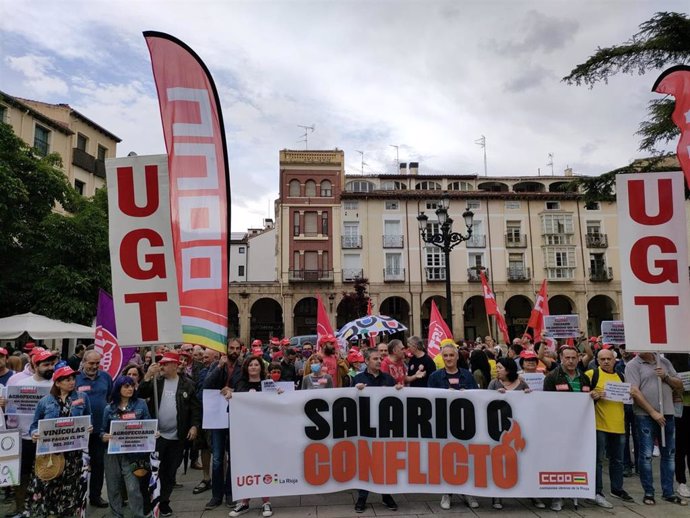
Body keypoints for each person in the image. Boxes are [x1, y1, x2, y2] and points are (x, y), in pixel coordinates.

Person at [139, 352, 201, 517]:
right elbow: (140, 393)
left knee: (170, 472)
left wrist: (194, 426)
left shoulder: (188, 384)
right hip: (158, 435)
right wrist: (147, 376)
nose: (161, 366)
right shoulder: (156, 381)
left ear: (174, 365)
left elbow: (195, 408)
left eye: (165, 364)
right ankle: (150, 501)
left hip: (177, 437)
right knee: (153, 470)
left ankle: (164, 502)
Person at [28, 366, 92, 517]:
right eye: (67, 379)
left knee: (70, 488)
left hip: (73, 453)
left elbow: (89, 419)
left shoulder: (81, 397)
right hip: (49, 453)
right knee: (47, 486)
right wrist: (35, 434)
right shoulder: (45, 401)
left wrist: (88, 427)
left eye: (73, 379)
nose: (72, 382)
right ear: (57, 383)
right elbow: (34, 425)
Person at [625, 352, 687, 506]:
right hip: (645, 416)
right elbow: (634, 391)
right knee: (646, 455)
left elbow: (680, 384)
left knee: (669, 454)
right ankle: (649, 492)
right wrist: (653, 412)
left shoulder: (664, 362)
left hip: (667, 413)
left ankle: (668, 492)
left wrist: (666, 376)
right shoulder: (633, 365)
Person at [5, 349, 57, 518]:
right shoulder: (20, 384)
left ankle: (44, 507)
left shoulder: (56, 384)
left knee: (47, 474)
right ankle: (21, 509)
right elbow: (10, 412)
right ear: (35, 366)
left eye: (52, 364)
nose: (50, 367)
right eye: (46, 364)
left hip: (48, 440)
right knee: (22, 475)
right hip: (24, 438)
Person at [428, 344, 479, 510]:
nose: (449, 358)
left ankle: (467, 491)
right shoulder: (435, 377)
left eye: (451, 355)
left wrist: (467, 394)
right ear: (442, 357)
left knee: (466, 458)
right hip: (444, 423)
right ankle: (447, 492)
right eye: (446, 356)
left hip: (464, 423)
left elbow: (477, 397)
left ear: (457, 357)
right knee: (446, 458)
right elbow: (429, 399)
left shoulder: (467, 376)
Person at [487, 358, 543, 510]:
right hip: (500, 430)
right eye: (496, 368)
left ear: (509, 369)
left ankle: (532, 493)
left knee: (524, 461)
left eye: (499, 368)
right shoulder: (494, 384)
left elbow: (530, 404)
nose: (497, 370)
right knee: (499, 462)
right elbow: (486, 404)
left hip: (520, 430)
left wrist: (528, 394)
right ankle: (497, 496)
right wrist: (494, 395)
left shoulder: (522, 383)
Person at [352, 348, 401, 513]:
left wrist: (399, 390)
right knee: (365, 462)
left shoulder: (388, 378)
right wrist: (355, 391)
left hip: (384, 427)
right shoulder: (357, 379)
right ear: (366, 361)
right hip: (365, 428)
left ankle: (386, 495)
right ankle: (362, 497)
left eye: (380, 358)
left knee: (384, 461)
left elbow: (397, 400)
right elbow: (348, 401)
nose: (379, 361)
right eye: (375, 359)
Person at [543, 345, 591, 511]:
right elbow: (547, 403)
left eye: (573, 358)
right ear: (560, 359)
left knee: (575, 459)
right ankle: (557, 496)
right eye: (567, 358)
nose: (570, 361)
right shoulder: (552, 377)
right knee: (558, 460)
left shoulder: (584, 378)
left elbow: (587, 401)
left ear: (578, 358)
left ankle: (574, 491)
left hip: (579, 427)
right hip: (558, 427)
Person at [586, 347, 634, 507]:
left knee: (618, 460)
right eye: (602, 359)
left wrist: (629, 395)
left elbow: (627, 398)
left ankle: (617, 488)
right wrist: (592, 395)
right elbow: (581, 393)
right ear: (597, 361)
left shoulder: (621, 376)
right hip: (599, 425)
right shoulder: (592, 375)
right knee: (598, 460)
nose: (606, 361)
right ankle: (597, 491)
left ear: (615, 360)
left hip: (619, 425)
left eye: (609, 359)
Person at [228, 355, 274, 517]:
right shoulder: (239, 384)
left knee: (263, 464)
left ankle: (266, 502)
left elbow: (274, 403)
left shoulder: (268, 384)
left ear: (261, 368)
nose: (254, 367)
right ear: (246, 368)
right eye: (251, 365)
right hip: (244, 431)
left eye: (256, 365)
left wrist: (280, 393)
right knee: (245, 464)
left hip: (263, 430)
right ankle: (244, 502)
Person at [101, 375, 152, 518]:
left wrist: (153, 432)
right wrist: (104, 437)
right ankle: (117, 515)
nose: (130, 389)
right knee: (113, 487)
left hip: (133, 452)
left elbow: (148, 423)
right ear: (118, 389)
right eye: (126, 386)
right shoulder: (109, 408)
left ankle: (138, 515)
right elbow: (102, 431)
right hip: (112, 453)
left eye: (132, 386)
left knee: (133, 487)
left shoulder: (141, 404)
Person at [202, 339, 243, 509]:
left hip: (235, 416)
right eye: (231, 348)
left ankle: (230, 493)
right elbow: (206, 385)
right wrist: (219, 366)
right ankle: (216, 495)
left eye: (237, 348)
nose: (234, 351)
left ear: (241, 350)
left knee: (234, 457)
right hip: (217, 417)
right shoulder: (215, 366)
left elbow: (245, 387)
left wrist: (234, 391)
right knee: (218, 458)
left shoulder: (242, 367)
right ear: (226, 349)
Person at [76, 349, 113, 509]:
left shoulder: (105, 377)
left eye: (97, 363)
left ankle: (95, 496)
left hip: (99, 429)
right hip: (80, 431)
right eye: (91, 363)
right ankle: (77, 496)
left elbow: (110, 397)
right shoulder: (75, 378)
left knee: (99, 464)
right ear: (83, 362)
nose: (94, 366)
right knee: (79, 465)